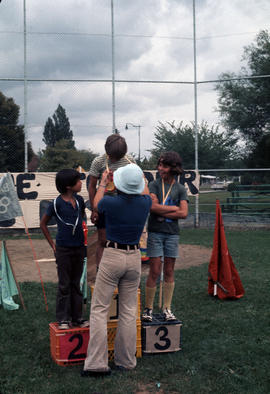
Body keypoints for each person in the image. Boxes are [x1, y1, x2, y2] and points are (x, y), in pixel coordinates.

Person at [82, 164, 152, 377]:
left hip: (112, 255)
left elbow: (95, 204)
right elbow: (145, 190)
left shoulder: (109, 203)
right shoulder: (145, 202)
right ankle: (126, 361)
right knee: (129, 311)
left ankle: (96, 363)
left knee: (99, 309)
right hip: (134, 258)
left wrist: (103, 181)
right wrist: (139, 178)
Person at [142, 152, 188, 322]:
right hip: (155, 232)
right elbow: (152, 207)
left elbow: (184, 213)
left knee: (169, 271)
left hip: (172, 235)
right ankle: (148, 309)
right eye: (159, 165)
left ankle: (167, 308)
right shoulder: (153, 185)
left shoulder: (180, 189)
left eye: (164, 166)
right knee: (154, 271)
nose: (160, 168)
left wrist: (174, 210)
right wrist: (174, 209)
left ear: (173, 168)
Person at [40, 169, 89, 330]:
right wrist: (53, 245)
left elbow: (81, 218)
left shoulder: (80, 200)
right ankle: (63, 318)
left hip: (79, 248)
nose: (81, 183)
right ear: (69, 186)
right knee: (64, 284)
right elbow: (43, 224)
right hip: (63, 249)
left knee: (77, 283)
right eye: (78, 181)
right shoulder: (56, 203)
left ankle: (77, 317)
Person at [88, 134, 135, 268]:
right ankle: (100, 272)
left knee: (122, 241)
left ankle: (119, 271)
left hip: (124, 205)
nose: (115, 159)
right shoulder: (98, 162)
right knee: (103, 241)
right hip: (104, 205)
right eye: (112, 156)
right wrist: (94, 210)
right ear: (107, 151)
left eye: (118, 157)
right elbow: (91, 186)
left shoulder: (129, 161)